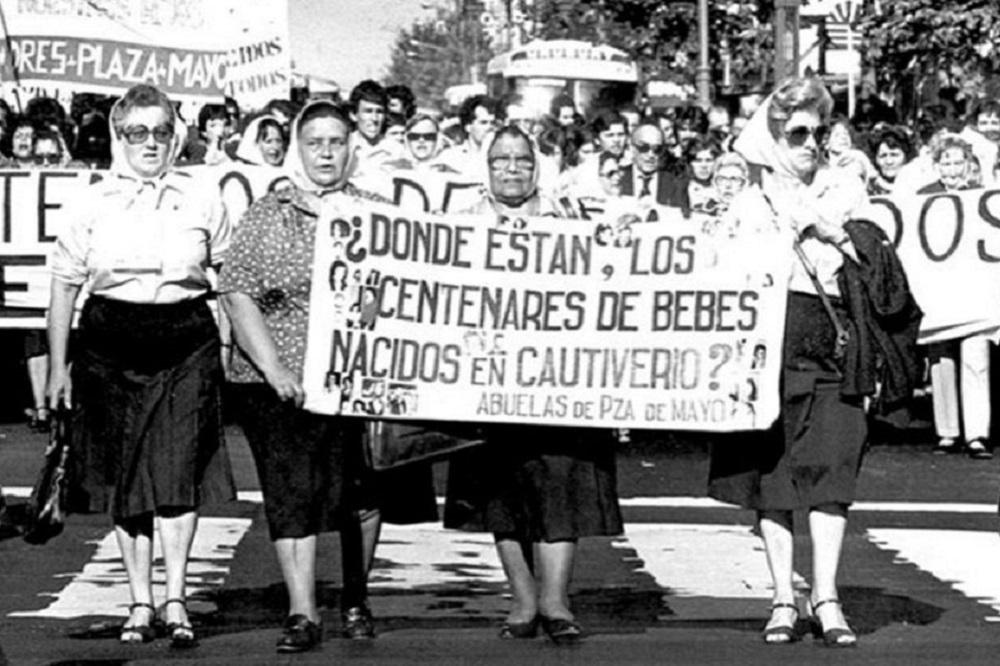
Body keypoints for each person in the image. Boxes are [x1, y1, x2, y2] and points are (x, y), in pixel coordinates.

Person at [707, 77, 922, 648]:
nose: (810, 143)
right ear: (774, 137)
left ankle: (826, 597)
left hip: (832, 345)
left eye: (819, 131)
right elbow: (720, 274)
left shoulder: (847, 188)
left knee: (831, 474)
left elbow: (881, 264)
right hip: (767, 352)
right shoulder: (750, 201)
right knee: (773, 480)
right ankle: (783, 598)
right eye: (797, 132)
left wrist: (829, 229)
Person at [219, 99, 437, 653]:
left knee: (362, 492)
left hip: (358, 380)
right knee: (293, 496)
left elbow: (414, 288)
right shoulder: (270, 212)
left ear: (351, 148)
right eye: (314, 142)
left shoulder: (379, 211)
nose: (325, 152)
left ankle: (357, 597)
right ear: (298, 147)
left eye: (335, 142)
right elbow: (237, 289)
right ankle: (302, 611)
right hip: (283, 384)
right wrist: (273, 368)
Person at [47, 83, 236, 648]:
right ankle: (139, 601)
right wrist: (57, 368)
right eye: (137, 132)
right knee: (128, 480)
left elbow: (228, 278)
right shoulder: (90, 200)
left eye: (160, 131)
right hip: (111, 343)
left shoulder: (203, 196)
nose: (150, 143)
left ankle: (176, 598)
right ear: (118, 136)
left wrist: (227, 349)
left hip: (186, 339)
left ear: (175, 135)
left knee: (179, 471)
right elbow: (63, 284)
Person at [445, 125, 623, 644]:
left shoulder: (569, 219)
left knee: (561, 488)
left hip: (557, 380)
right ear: (487, 166)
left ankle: (556, 599)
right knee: (501, 492)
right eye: (501, 160)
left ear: (536, 166)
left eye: (522, 160)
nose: (512, 169)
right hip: (486, 381)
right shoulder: (459, 225)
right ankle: (523, 598)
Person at [917, 134, 993, 459]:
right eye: (944, 162)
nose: (950, 168)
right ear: (936, 166)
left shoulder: (983, 198)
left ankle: (977, 433)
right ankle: (947, 431)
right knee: (941, 360)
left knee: (976, 358)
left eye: (956, 161)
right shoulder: (922, 198)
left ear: (968, 164)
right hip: (937, 293)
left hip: (974, 292)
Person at [619, 121, 689, 210]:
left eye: (657, 149)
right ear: (632, 148)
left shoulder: (676, 184)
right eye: (644, 148)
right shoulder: (618, 177)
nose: (651, 154)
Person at [437, 94, 500, 178]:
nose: (490, 128)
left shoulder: (503, 158)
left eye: (493, 123)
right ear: (468, 127)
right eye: (483, 123)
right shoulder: (451, 157)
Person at [866, 125, 915, 195]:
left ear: (906, 157)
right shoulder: (867, 190)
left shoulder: (918, 185)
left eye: (894, 155)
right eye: (883, 156)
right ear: (876, 159)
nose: (889, 161)